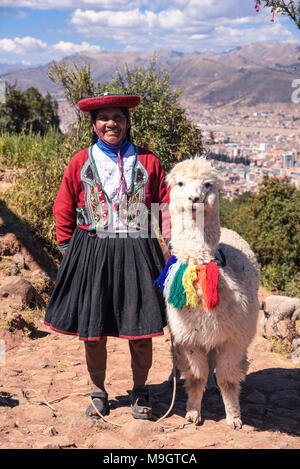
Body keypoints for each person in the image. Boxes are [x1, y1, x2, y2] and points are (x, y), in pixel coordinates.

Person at [44, 93, 171, 420]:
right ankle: (98, 393)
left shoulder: (148, 161)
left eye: (118, 117)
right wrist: (68, 249)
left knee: (142, 330)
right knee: (93, 331)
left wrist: (175, 243)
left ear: (128, 122)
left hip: (139, 249)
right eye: (104, 117)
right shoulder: (80, 162)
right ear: (93, 123)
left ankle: (140, 391)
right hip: (92, 250)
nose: (111, 123)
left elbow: (165, 206)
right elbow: (64, 207)